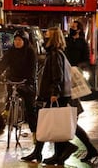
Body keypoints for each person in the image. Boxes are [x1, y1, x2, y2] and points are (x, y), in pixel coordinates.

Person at [21, 27, 77, 165]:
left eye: (47, 35)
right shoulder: (56, 53)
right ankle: (51, 153)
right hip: (57, 94)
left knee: (49, 123)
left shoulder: (55, 54)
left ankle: (62, 149)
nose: (44, 37)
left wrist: (54, 93)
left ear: (53, 37)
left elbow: (57, 75)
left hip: (56, 94)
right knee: (50, 123)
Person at [64, 21, 98, 163]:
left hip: (74, 78)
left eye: (74, 27)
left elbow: (85, 60)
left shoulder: (82, 43)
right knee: (69, 119)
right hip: (66, 77)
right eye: (71, 27)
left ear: (79, 29)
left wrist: (78, 69)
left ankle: (84, 148)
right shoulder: (66, 41)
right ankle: (88, 149)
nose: (71, 29)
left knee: (70, 119)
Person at [0, 29, 37, 141]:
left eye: (19, 40)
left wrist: (29, 81)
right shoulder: (11, 51)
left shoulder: (30, 52)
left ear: (25, 41)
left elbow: (32, 69)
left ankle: (35, 134)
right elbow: (2, 64)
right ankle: (7, 111)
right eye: (15, 40)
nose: (17, 42)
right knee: (8, 95)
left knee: (30, 108)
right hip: (13, 80)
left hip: (26, 81)